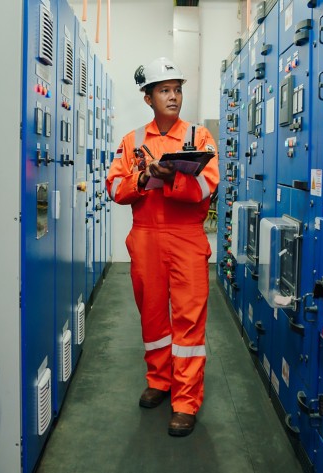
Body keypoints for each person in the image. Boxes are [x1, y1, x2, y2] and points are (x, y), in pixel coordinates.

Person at [105, 57, 219, 437]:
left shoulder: (198, 138)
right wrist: (145, 175)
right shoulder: (133, 141)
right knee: (153, 317)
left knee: (189, 320)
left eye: (177, 89)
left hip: (186, 237)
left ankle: (186, 401)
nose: (173, 96)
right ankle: (160, 380)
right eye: (165, 90)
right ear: (148, 97)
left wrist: (173, 180)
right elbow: (114, 188)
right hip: (146, 237)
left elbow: (208, 187)